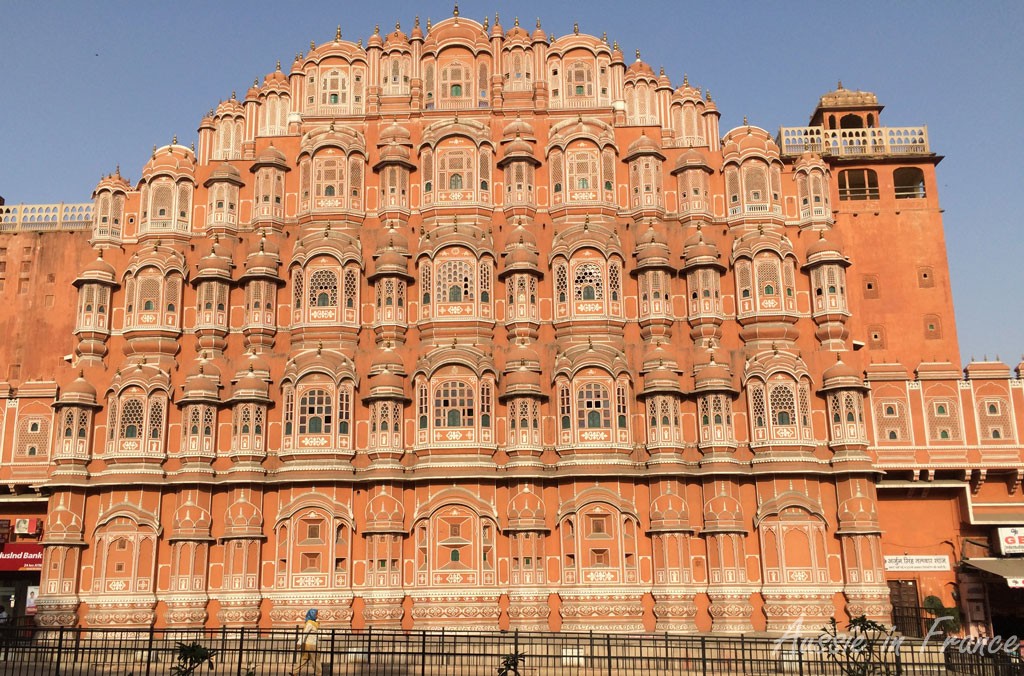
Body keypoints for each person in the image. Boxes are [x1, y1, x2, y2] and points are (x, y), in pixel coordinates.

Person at [289, 608, 320, 676]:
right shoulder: (310, 623)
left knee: (304, 659)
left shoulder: (313, 623)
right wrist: (299, 643)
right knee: (315, 659)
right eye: (316, 614)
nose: (317, 615)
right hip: (311, 645)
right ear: (312, 614)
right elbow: (305, 633)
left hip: (309, 644)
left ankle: (295, 672)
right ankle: (318, 674)